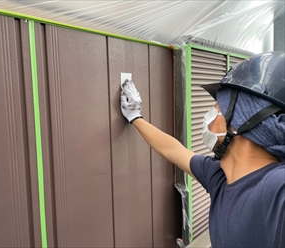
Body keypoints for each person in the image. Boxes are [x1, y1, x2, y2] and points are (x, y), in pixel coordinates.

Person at [120, 51, 285, 247]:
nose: (208, 117)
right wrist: (135, 117)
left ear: (240, 121)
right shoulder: (219, 177)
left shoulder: (277, 187)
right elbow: (173, 149)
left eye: (217, 109)